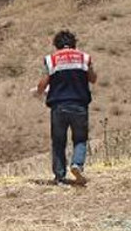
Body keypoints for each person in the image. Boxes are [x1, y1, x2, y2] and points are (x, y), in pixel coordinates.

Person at [35, 30, 97, 186]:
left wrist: (38, 92)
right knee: (80, 139)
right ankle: (77, 164)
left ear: (57, 45)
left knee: (58, 142)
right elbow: (93, 79)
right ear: (74, 43)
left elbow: (43, 83)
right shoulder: (84, 57)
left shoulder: (51, 60)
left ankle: (60, 177)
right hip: (79, 105)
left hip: (59, 106)